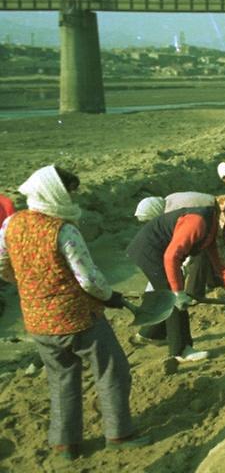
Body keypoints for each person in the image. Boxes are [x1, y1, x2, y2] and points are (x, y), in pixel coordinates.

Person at [0, 165, 149, 460]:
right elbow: (89, 279)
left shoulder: (11, 224)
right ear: (55, 192)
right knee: (111, 370)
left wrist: (30, 287)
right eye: (68, 192)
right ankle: (118, 433)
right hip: (77, 318)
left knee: (61, 378)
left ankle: (64, 444)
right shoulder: (63, 230)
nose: (71, 198)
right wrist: (111, 297)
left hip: (37, 321)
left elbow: (2, 266)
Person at [126, 194, 225, 362]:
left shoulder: (213, 226)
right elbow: (171, 256)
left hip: (159, 250)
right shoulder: (199, 222)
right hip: (150, 250)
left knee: (171, 294)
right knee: (172, 296)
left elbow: (219, 261)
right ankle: (181, 350)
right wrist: (178, 292)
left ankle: (151, 334)